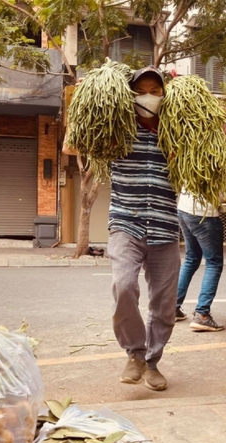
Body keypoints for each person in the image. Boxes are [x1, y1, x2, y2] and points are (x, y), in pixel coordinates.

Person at [63, 66, 179, 392]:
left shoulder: (175, 135)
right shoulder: (117, 132)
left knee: (165, 304)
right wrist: (82, 104)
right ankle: (135, 353)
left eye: (156, 91)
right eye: (141, 91)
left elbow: (213, 166)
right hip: (126, 223)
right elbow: (70, 147)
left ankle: (153, 362)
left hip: (166, 227)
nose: (149, 97)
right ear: (130, 96)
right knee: (124, 285)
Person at [175, 113, 226, 331]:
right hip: (203, 215)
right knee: (214, 262)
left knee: (191, 258)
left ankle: (172, 307)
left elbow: (218, 190)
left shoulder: (196, 145)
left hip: (185, 209)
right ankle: (202, 315)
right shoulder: (216, 150)